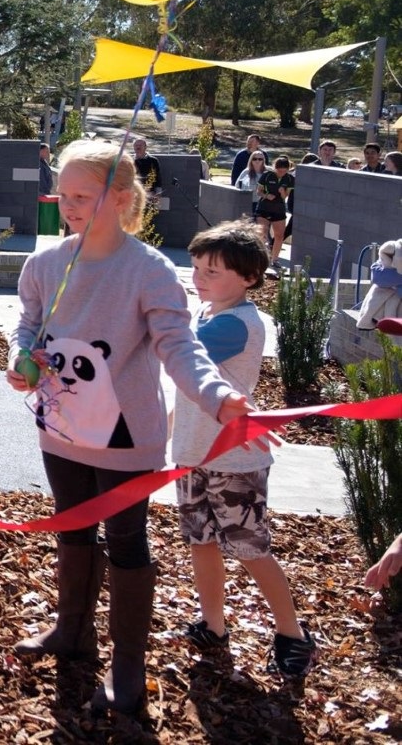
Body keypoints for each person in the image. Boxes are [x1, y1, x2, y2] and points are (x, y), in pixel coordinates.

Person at [7, 139, 254, 715]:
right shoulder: (45, 263)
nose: (69, 207)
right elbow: (28, 325)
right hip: (62, 428)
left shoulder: (148, 270)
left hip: (126, 440)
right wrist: (21, 359)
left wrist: (217, 395)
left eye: (83, 197)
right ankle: (72, 632)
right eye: (63, 195)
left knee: (125, 541)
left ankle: (127, 669)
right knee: (72, 528)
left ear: (120, 199)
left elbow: (180, 346)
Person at [174, 221, 316, 677]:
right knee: (201, 541)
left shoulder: (237, 324)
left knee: (250, 548)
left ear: (249, 278)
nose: (199, 278)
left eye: (212, 271)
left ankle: (293, 634)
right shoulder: (208, 313)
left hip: (234, 460)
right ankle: (214, 625)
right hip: (193, 453)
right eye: (196, 267)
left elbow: (179, 354)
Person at [255, 157, 291, 273]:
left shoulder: (289, 179)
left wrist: (282, 192)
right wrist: (266, 195)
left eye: (284, 170)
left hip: (279, 209)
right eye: (279, 170)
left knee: (279, 235)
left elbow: (285, 197)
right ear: (275, 168)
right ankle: (260, 258)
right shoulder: (267, 175)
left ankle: (275, 259)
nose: (281, 173)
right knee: (262, 233)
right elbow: (258, 191)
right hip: (264, 208)